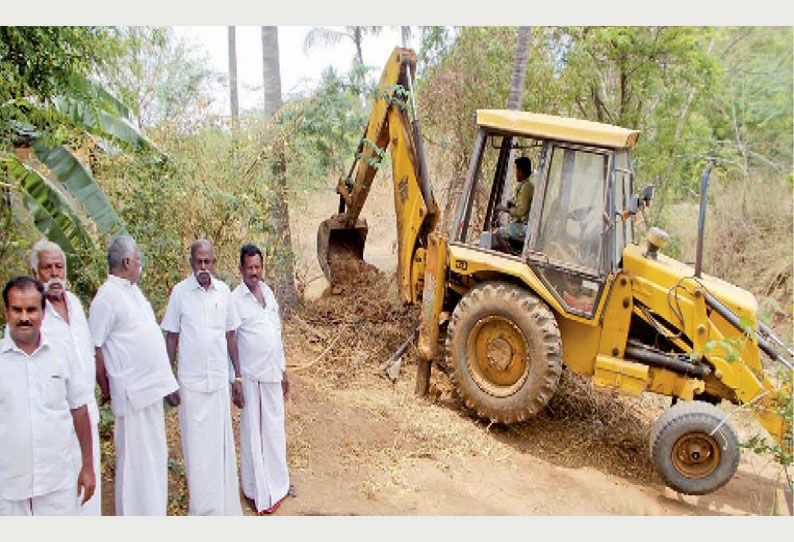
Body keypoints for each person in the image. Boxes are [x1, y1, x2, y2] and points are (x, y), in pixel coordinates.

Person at [88, 235, 178, 516]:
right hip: (132, 394)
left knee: (154, 458)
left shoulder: (132, 291)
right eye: (138, 258)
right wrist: (106, 387)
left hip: (150, 391)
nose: (140, 263)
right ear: (127, 262)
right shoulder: (106, 297)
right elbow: (94, 348)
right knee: (136, 463)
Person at [0, 276, 95, 515]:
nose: (24, 317)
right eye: (17, 310)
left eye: (31, 309)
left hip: (58, 483)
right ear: (6, 312)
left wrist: (88, 467)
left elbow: (80, 409)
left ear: (43, 312)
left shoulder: (62, 354)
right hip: (9, 486)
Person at [161, 239, 242, 516]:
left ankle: (223, 510)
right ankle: (202, 512)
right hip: (191, 384)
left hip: (218, 381)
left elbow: (231, 335)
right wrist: (167, 380)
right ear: (191, 263)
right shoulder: (180, 294)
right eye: (199, 262)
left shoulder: (224, 292)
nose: (203, 267)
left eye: (208, 261)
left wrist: (238, 379)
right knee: (196, 451)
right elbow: (172, 336)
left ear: (214, 262)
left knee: (220, 448)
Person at [29, 239, 102, 516]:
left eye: (59, 266)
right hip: (55, 420)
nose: (55, 273)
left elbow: (86, 352)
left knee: (89, 487)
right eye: (48, 268)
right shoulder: (34, 315)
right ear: (36, 273)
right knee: (62, 495)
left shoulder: (74, 303)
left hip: (86, 414)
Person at [231, 244, 291, 515]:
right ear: (241, 269)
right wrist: (237, 379)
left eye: (258, 267)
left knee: (274, 431)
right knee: (253, 434)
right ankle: (257, 492)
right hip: (251, 379)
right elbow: (229, 341)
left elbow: (275, 335)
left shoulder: (268, 293)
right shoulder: (235, 300)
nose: (254, 272)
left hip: (271, 375)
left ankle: (278, 485)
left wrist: (283, 371)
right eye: (249, 268)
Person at [494, 156, 534, 252]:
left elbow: (521, 212)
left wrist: (505, 209)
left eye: (517, 170)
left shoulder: (525, 188)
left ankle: (509, 255)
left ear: (521, 172)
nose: (516, 173)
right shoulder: (528, 185)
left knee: (498, 234)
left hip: (524, 227)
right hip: (524, 224)